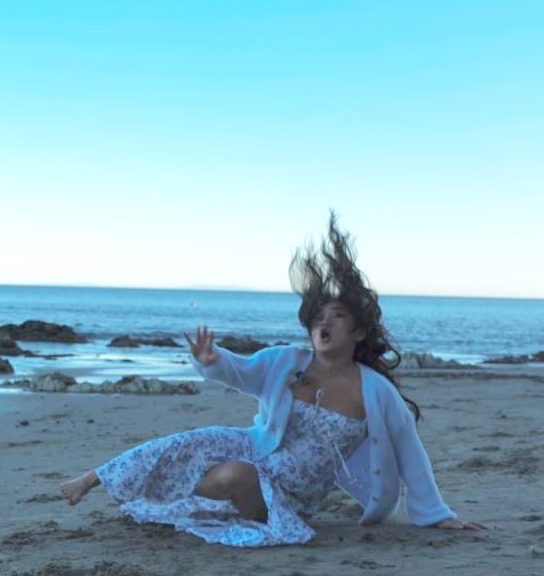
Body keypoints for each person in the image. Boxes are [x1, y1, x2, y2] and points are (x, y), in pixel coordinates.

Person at [59, 215, 485, 547]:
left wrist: (436, 514)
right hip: (256, 445)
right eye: (318, 319)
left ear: (358, 332)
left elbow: (410, 450)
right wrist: (213, 361)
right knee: (189, 442)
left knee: (232, 476)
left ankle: (171, 499)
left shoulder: (375, 390)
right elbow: (241, 372)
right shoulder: (286, 361)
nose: (323, 325)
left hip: (293, 485)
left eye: (336, 318)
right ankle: (94, 478)